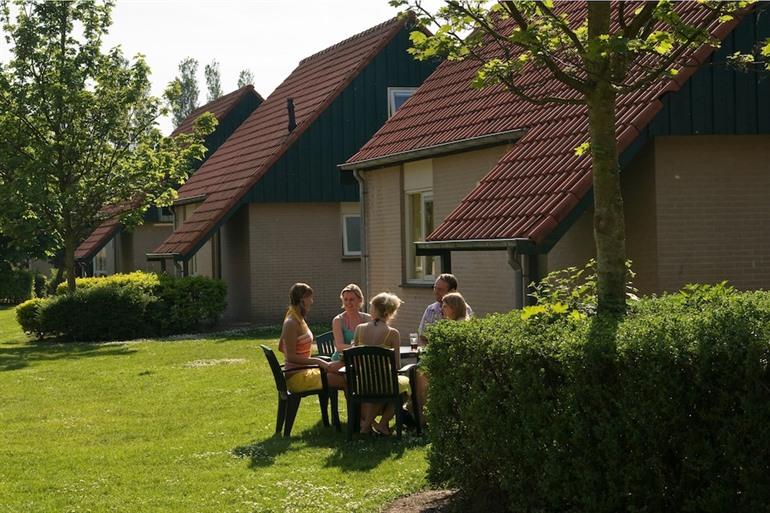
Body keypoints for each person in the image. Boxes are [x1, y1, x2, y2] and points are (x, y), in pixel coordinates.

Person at [352, 292, 411, 435]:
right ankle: (381, 424)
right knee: (404, 388)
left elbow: (354, 357)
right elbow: (396, 365)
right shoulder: (393, 333)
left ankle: (369, 425)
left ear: (376, 310)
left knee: (383, 387)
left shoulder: (359, 329)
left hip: (362, 384)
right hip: (383, 384)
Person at [279, 283, 344, 392]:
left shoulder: (298, 318)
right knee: (344, 381)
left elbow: (281, 346)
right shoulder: (291, 322)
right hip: (297, 377)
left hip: (304, 371)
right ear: (302, 300)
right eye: (310, 298)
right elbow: (290, 357)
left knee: (343, 374)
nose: (312, 301)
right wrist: (317, 361)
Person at [418, 273, 473, 343]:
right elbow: (422, 336)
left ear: (452, 291)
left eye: (440, 289)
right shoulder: (430, 309)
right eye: (435, 288)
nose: (436, 292)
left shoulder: (465, 309)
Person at [330, 283, 371, 362]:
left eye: (352, 299)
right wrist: (355, 347)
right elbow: (339, 346)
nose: (348, 303)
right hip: (342, 359)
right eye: (345, 299)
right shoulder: (338, 320)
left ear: (360, 300)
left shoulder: (368, 318)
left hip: (363, 359)